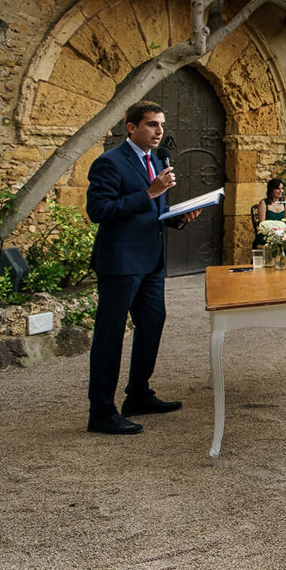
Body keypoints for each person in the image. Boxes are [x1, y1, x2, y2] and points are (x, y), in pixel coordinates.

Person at [82, 99, 207, 435]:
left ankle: (138, 394)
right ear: (132, 127)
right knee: (110, 335)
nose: (159, 131)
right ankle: (101, 411)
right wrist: (151, 193)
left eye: (162, 125)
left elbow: (151, 211)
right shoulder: (109, 163)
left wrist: (178, 219)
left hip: (152, 260)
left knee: (153, 322)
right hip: (120, 262)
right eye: (152, 124)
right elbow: (99, 210)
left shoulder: (156, 161)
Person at [251, 178, 286, 245]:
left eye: (282, 188)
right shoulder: (263, 203)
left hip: (282, 233)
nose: (281, 191)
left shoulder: (284, 203)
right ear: (271, 190)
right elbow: (262, 224)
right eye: (278, 189)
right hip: (267, 234)